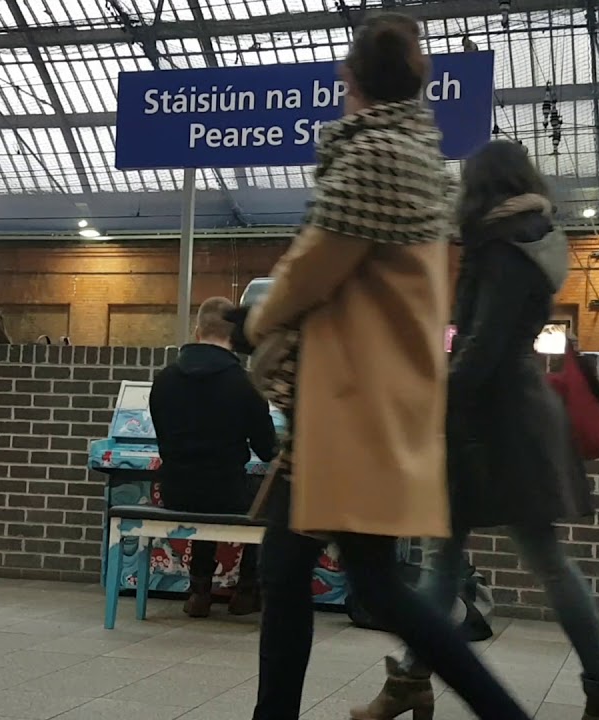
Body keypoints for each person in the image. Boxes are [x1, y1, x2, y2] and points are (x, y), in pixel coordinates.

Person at [231, 14, 536, 720]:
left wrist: (257, 319)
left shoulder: (375, 157)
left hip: (354, 405)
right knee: (288, 569)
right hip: (356, 402)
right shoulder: (419, 153)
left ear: (351, 79)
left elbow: (311, 268)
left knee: (379, 586)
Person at [352, 140, 599, 720]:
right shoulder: (524, 241)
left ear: (481, 188)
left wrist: (431, 400)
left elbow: (483, 345)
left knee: (522, 559)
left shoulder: (504, 248)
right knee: (461, 556)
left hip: (499, 425)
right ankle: (413, 677)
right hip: (504, 418)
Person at [149, 297, 276, 618]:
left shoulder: (164, 380)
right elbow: (267, 450)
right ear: (234, 336)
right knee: (264, 498)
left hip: (174, 492)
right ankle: (247, 591)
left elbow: (163, 441)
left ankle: (199, 591)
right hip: (226, 492)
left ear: (197, 331)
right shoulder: (246, 384)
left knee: (205, 490)